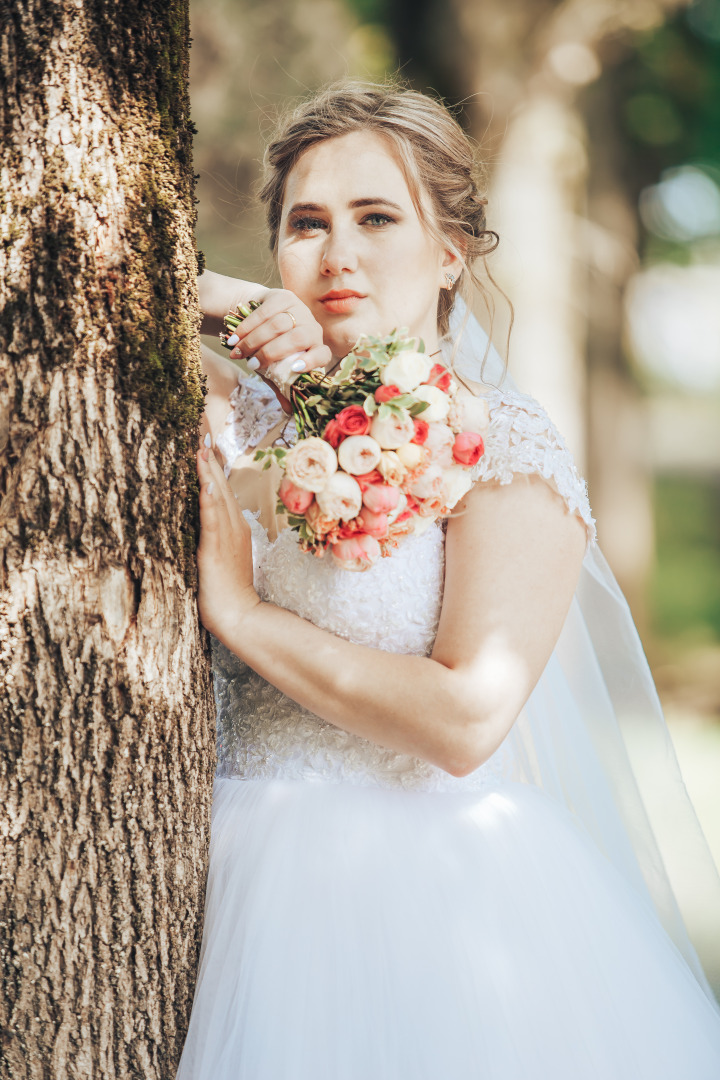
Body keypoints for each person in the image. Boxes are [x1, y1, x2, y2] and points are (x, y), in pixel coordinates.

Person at [177, 82, 720, 1079]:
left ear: (449, 252)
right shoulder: (231, 408)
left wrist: (240, 612)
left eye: (377, 217)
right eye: (307, 224)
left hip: (422, 905)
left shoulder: (504, 449)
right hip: (205, 877)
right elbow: (76, 273)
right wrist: (237, 302)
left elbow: (467, 719)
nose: (338, 253)